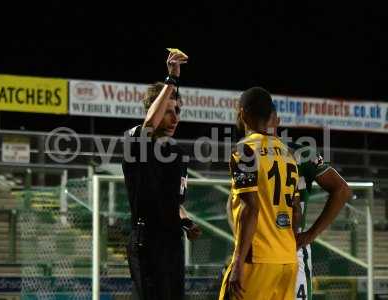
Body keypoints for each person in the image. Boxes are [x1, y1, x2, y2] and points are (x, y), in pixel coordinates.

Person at [225, 106, 353, 300]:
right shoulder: (296, 152)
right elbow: (342, 190)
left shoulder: (249, 152)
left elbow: (342, 190)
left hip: (267, 252)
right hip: (285, 251)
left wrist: (309, 235)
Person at [121, 51, 201, 300]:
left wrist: (186, 222)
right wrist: (172, 79)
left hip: (172, 242)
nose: (175, 117)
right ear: (153, 110)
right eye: (168, 111)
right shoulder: (135, 138)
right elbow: (148, 127)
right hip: (147, 240)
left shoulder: (176, 152)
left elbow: (175, 202)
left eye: (178, 110)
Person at [219, 87, 300, 300]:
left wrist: (237, 263)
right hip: (288, 261)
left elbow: (251, 208)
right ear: (271, 116)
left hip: (257, 260)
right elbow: (296, 211)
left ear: (243, 113)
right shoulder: (289, 154)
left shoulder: (244, 150)